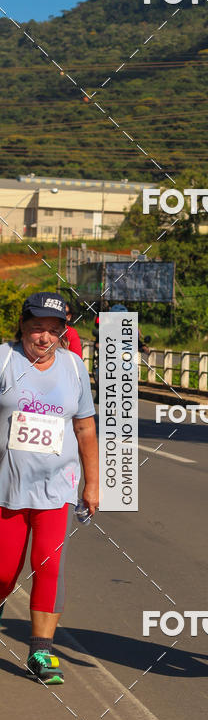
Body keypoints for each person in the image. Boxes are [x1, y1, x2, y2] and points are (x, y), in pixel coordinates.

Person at [0, 292, 98, 685]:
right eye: (37, 328)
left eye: (53, 331)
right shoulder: (5, 359)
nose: (44, 338)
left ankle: (41, 650)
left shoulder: (74, 368)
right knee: (5, 572)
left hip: (57, 489)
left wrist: (93, 484)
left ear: (63, 332)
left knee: (48, 565)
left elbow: (85, 427)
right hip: (7, 487)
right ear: (23, 325)